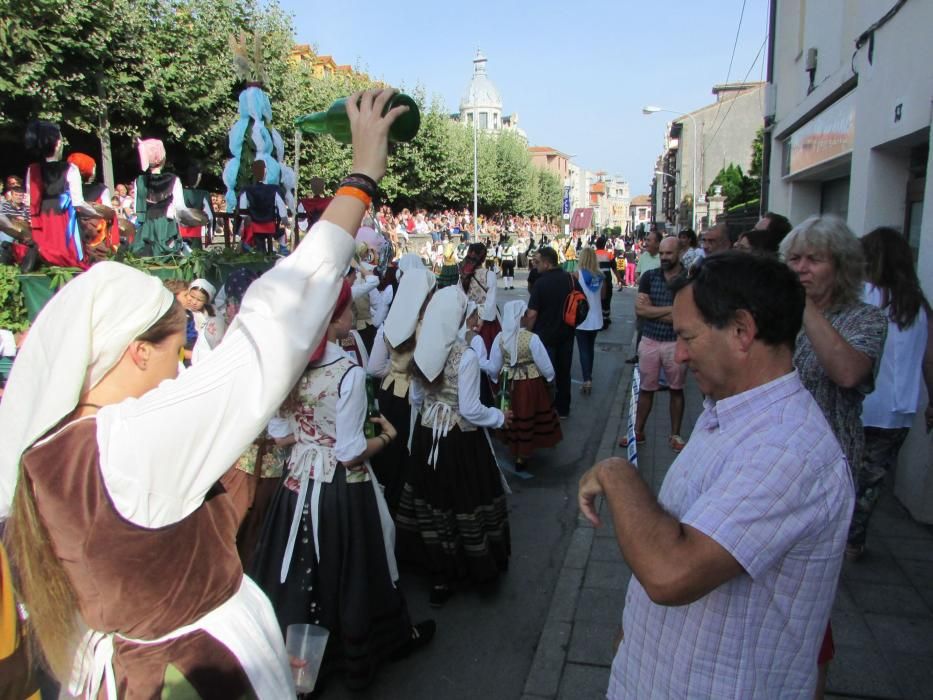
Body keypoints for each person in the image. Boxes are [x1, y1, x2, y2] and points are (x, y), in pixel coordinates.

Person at [0, 87, 408, 698]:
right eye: (174, 347)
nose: (181, 365)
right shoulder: (131, 443)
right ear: (135, 351)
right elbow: (271, 326)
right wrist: (360, 179)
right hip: (189, 672)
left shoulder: (47, 452)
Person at [579, 252, 854, 699]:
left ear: (743, 331)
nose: (681, 355)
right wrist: (634, 634)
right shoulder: (728, 413)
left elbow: (669, 571)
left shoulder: (787, 450)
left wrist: (616, 473)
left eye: (689, 337)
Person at [249, 279, 433, 691]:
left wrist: (311, 434)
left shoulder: (289, 365)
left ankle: (299, 662)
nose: (355, 314)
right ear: (334, 319)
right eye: (350, 309)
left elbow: (280, 433)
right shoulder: (346, 373)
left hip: (298, 481)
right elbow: (349, 451)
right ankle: (361, 648)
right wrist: (387, 437)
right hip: (340, 487)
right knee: (356, 563)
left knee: (299, 565)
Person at [396, 286, 511, 607]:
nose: (476, 318)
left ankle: (440, 575)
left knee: (432, 502)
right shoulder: (466, 357)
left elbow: (416, 399)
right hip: (460, 440)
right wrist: (500, 416)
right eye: (470, 313)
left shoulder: (424, 351)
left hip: (427, 436)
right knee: (466, 501)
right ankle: (477, 570)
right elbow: (472, 408)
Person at [847, 227, 932, 560]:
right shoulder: (917, 305)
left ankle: (834, 534)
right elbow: (929, 360)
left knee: (843, 471)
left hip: (858, 401)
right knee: (871, 479)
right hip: (897, 409)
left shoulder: (856, 295)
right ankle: (854, 541)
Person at [367, 266, 437, 513]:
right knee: (412, 452)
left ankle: (386, 502)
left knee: (388, 452)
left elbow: (374, 367)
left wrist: (394, 369)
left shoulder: (388, 324)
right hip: (415, 398)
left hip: (388, 395)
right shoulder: (428, 327)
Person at [620, 236, 687, 452]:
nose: (665, 257)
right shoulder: (650, 276)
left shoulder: (688, 279)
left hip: (676, 342)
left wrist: (655, 312)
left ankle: (675, 434)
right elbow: (641, 310)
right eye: (662, 254)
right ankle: (638, 431)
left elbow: (687, 316)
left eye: (669, 253)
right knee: (646, 388)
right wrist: (672, 310)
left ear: (679, 253)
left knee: (676, 389)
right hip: (650, 340)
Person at [484, 300, 560, 469]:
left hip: (508, 383)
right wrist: (549, 378)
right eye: (525, 314)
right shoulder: (532, 338)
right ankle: (524, 453)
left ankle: (516, 449)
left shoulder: (500, 337)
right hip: (530, 383)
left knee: (514, 415)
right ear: (521, 317)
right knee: (529, 414)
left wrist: (496, 380)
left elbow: (495, 365)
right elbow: (545, 363)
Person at [24, 120, 96, 269]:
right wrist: (97, 213)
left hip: (42, 222)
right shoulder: (71, 168)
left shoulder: (32, 169)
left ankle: (33, 253)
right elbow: (78, 203)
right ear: (57, 144)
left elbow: (30, 201)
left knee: (46, 253)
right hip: (63, 221)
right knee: (69, 258)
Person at [526, 246, 574, 419]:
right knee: (564, 372)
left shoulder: (541, 283)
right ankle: (563, 408)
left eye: (537, 262)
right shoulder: (570, 278)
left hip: (544, 336)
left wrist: (527, 333)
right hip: (567, 333)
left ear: (547, 263)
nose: (535, 265)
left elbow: (532, 314)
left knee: (545, 374)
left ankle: (546, 409)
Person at [238, 160, 287, 256]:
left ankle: (256, 251)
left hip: (254, 225)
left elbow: (242, 210)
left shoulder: (246, 190)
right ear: (265, 171)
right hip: (270, 225)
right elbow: (281, 206)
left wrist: (245, 217)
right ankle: (283, 248)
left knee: (254, 238)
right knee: (280, 232)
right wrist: (284, 218)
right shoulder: (274, 189)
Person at [574, 247, 605, 395]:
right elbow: (603, 296)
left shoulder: (577, 275)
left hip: (582, 319)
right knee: (590, 349)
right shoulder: (600, 276)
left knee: (583, 350)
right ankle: (588, 376)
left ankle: (587, 379)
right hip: (597, 318)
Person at [460, 242, 500, 353]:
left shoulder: (464, 275)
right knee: (487, 348)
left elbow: (460, 298)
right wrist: (481, 321)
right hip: (486, 319)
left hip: (468, 316)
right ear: (483, 258)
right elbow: (491, 301)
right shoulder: (489, 275)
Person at [179, 164, 214, 250]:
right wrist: (209, 233)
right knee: (196, 258)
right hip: (195, 236)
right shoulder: (203, 194)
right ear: (198, 177)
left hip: (178, 235)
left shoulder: (177, 192)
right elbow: (210, 217)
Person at [594, 237, 614, 328]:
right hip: (607, 280)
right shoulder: (609, 254)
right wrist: (620, 279)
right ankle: (605, 318)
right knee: (607, 299)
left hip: (596, 280)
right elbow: (614, 268)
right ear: (604, 244)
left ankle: (599, 318)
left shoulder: (593, 255)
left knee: (597, 299)